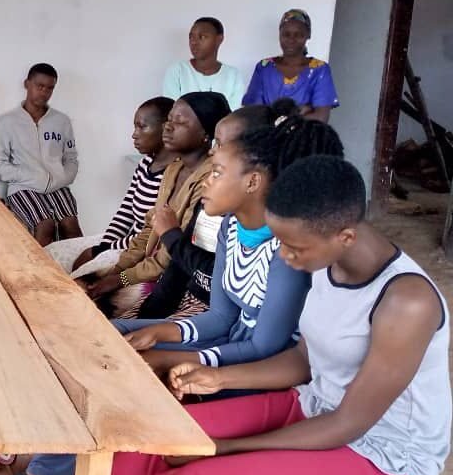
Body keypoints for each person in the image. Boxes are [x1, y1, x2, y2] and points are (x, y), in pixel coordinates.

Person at [0, 156, 450, 475]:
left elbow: (347, 425)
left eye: (294, 247)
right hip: (313, 404)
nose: (284, 256)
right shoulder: (327, 261)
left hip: (382, 455)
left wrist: (221, 448)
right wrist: (216, 378)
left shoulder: (406, 303)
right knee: (145, 438)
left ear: (345, 235)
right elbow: (305, 359)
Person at [118, 116, 344, 381]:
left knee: (138, 371)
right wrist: (157, 332)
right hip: (231, 340)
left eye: (216, 172)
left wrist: (167, 358)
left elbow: (263, 349)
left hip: (260, 369)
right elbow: (220, 317)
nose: (206, 181)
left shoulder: (287, 250)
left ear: (252, 182)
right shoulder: (231, 226)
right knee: (116, 331)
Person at [133, 101, 299, 321]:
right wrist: (143, 313)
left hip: (207, 309)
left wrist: (169, 236)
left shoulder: (270, 238)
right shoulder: (202, 190)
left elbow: (210, 278)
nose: (212, 151)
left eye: (220, 144)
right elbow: (172, 264)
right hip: (180, 295)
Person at [87, 93, 231, 317]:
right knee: (82, 285)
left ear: (206, 134)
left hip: (175, 278)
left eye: (180, 122)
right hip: (149, 266)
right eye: (169, 120)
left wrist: (122, 279)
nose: (168, 127)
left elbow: (174, 250)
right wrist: (117, 270)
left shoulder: (209, 180)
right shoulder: (174, 168)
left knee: (102, 313)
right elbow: (150, 227)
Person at [46, 97, 174, 279]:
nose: (134, 135)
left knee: (80, 277)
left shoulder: (173, 175)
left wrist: (104, 249)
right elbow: (126, 211)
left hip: (138, 249)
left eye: (142, 127)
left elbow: (149, 237)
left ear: (165, 129)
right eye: (135, 127)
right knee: (49, 253)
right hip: (121, 240)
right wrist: (102, 245)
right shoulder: (146, 163)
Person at [0, 63, 81, 245]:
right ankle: (39, 265)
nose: (44, 92)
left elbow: (71, 158)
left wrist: (62, 178)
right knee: (45, 226)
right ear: (27, 84)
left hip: (57, 186)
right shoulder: (7, 122)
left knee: (71, 227)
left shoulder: (61, 121)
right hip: (23, 187)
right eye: (39, 86)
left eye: (50, 88)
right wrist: (30, 177)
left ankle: (82, 265)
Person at [243, 9, 339, 122]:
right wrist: (303, 113)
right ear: (279, 34)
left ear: (308, 35)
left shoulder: (320, 70)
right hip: (267, 134)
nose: (291, 40)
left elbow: (321, 118)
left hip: (304, 134)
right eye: (286, 34)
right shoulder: (264, 68)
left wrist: (275, 119)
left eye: (298, 35)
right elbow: (253, 113)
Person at [163, 17, 245, 109]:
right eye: (191, 37)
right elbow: (173, 111)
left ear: (219, 39)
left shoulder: (233, 75)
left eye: (202, 37)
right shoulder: (177, 71)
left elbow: (233, 114)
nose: (194, 42)